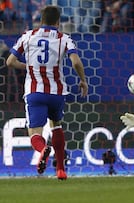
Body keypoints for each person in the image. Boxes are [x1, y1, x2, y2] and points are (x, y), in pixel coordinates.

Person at [6, 5, 88, 180]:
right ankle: (61, 169)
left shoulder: (27, 36)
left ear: (41, 20)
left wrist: (28, 67)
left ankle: (42, 149)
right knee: (56, 125)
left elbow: (10, 61)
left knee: (35, 133)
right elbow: (76, 62)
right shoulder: (64, 39)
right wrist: (83, 80)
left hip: (35, 92)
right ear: (58, 22)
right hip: (57, 93)